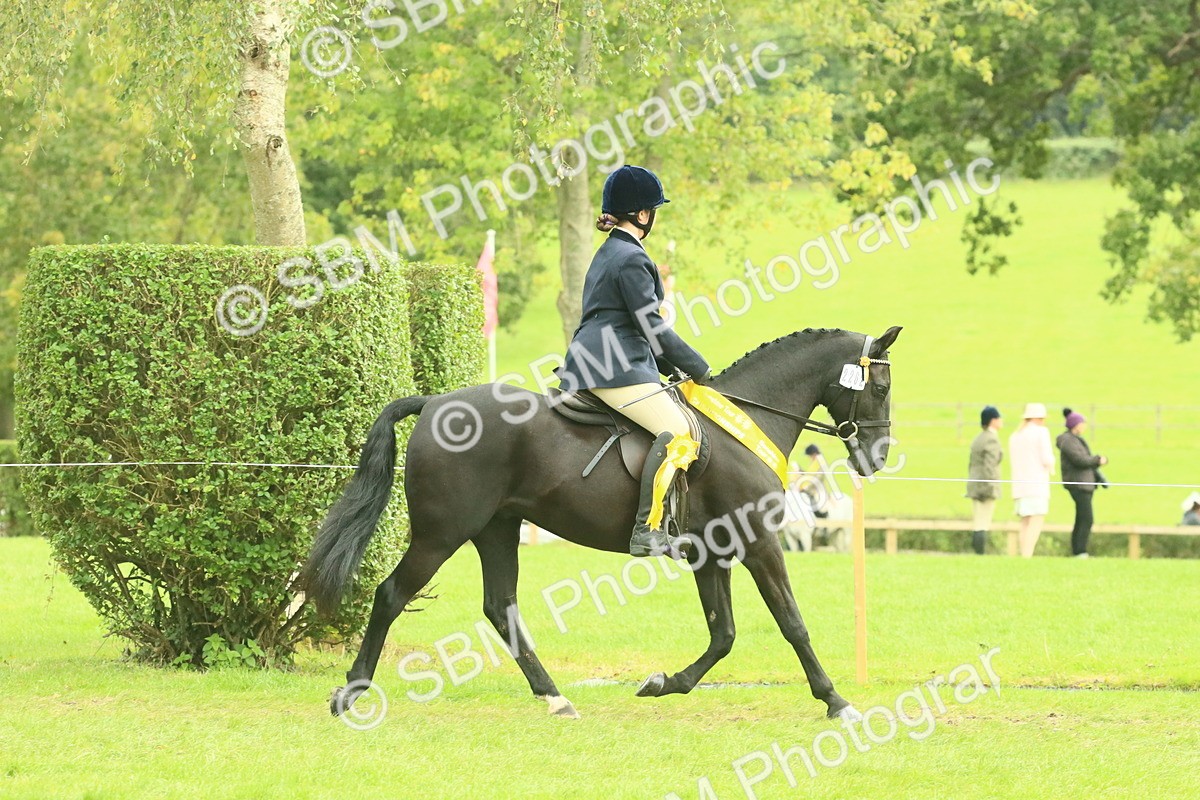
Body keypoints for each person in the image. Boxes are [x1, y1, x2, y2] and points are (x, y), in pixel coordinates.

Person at [556, 165, 710, 559]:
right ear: (642, 215)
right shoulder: (632, 259)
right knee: (679, 433)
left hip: (602, 359)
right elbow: (652, 327)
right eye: (653, 210)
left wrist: (668, 369)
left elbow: (631, 325)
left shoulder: (609, 252)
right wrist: (698, 366)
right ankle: (648, 529)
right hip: (612, 367)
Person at [1056, 408, 1108, 558]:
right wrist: (1098, 460)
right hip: (1078, 484)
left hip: (1084, 484)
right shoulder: (1068, 440)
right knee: (1087, 518)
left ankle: (1078, 551)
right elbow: (1079, 460)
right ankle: (1080, 551)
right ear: (1075, 425)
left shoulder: (1075, 440)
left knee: (1081, 518)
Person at [1009, 403, 1054, 558]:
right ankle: (1028, 554)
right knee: (1036, 519)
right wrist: (1052, 467)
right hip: (1037, 484)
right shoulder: (1041, 432)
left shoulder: (1016, 435)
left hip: (1020, 485)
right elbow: (1047, 458)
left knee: (1025, 521)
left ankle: (1024, 554)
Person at [966, 406, 1003, 555]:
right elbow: (990, 466)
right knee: (983, 522)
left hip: (974, 485)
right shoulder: (991, 439)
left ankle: (977, 552)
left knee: (978, 521)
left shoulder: (978, 438)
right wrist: (991, 486)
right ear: (993, 420)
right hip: (985, 485)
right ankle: (980, 553)